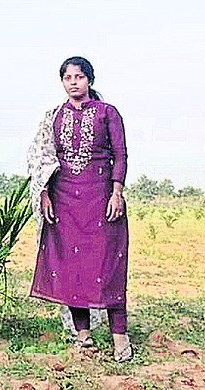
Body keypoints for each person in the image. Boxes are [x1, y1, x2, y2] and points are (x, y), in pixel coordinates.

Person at [27, 56, 131, 362]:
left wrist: (117, 192)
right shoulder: (53, 117)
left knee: (108, 264)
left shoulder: (107, 113)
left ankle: (119, 337)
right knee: (71, 265)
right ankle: (83, 335)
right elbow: (43, 158)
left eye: (79, 76)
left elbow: (121, 154)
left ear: (90, 80)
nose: (74, 82)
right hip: (64, 200)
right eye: (68, 77)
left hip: (101, 199)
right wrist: (44, 194)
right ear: (62, 82)